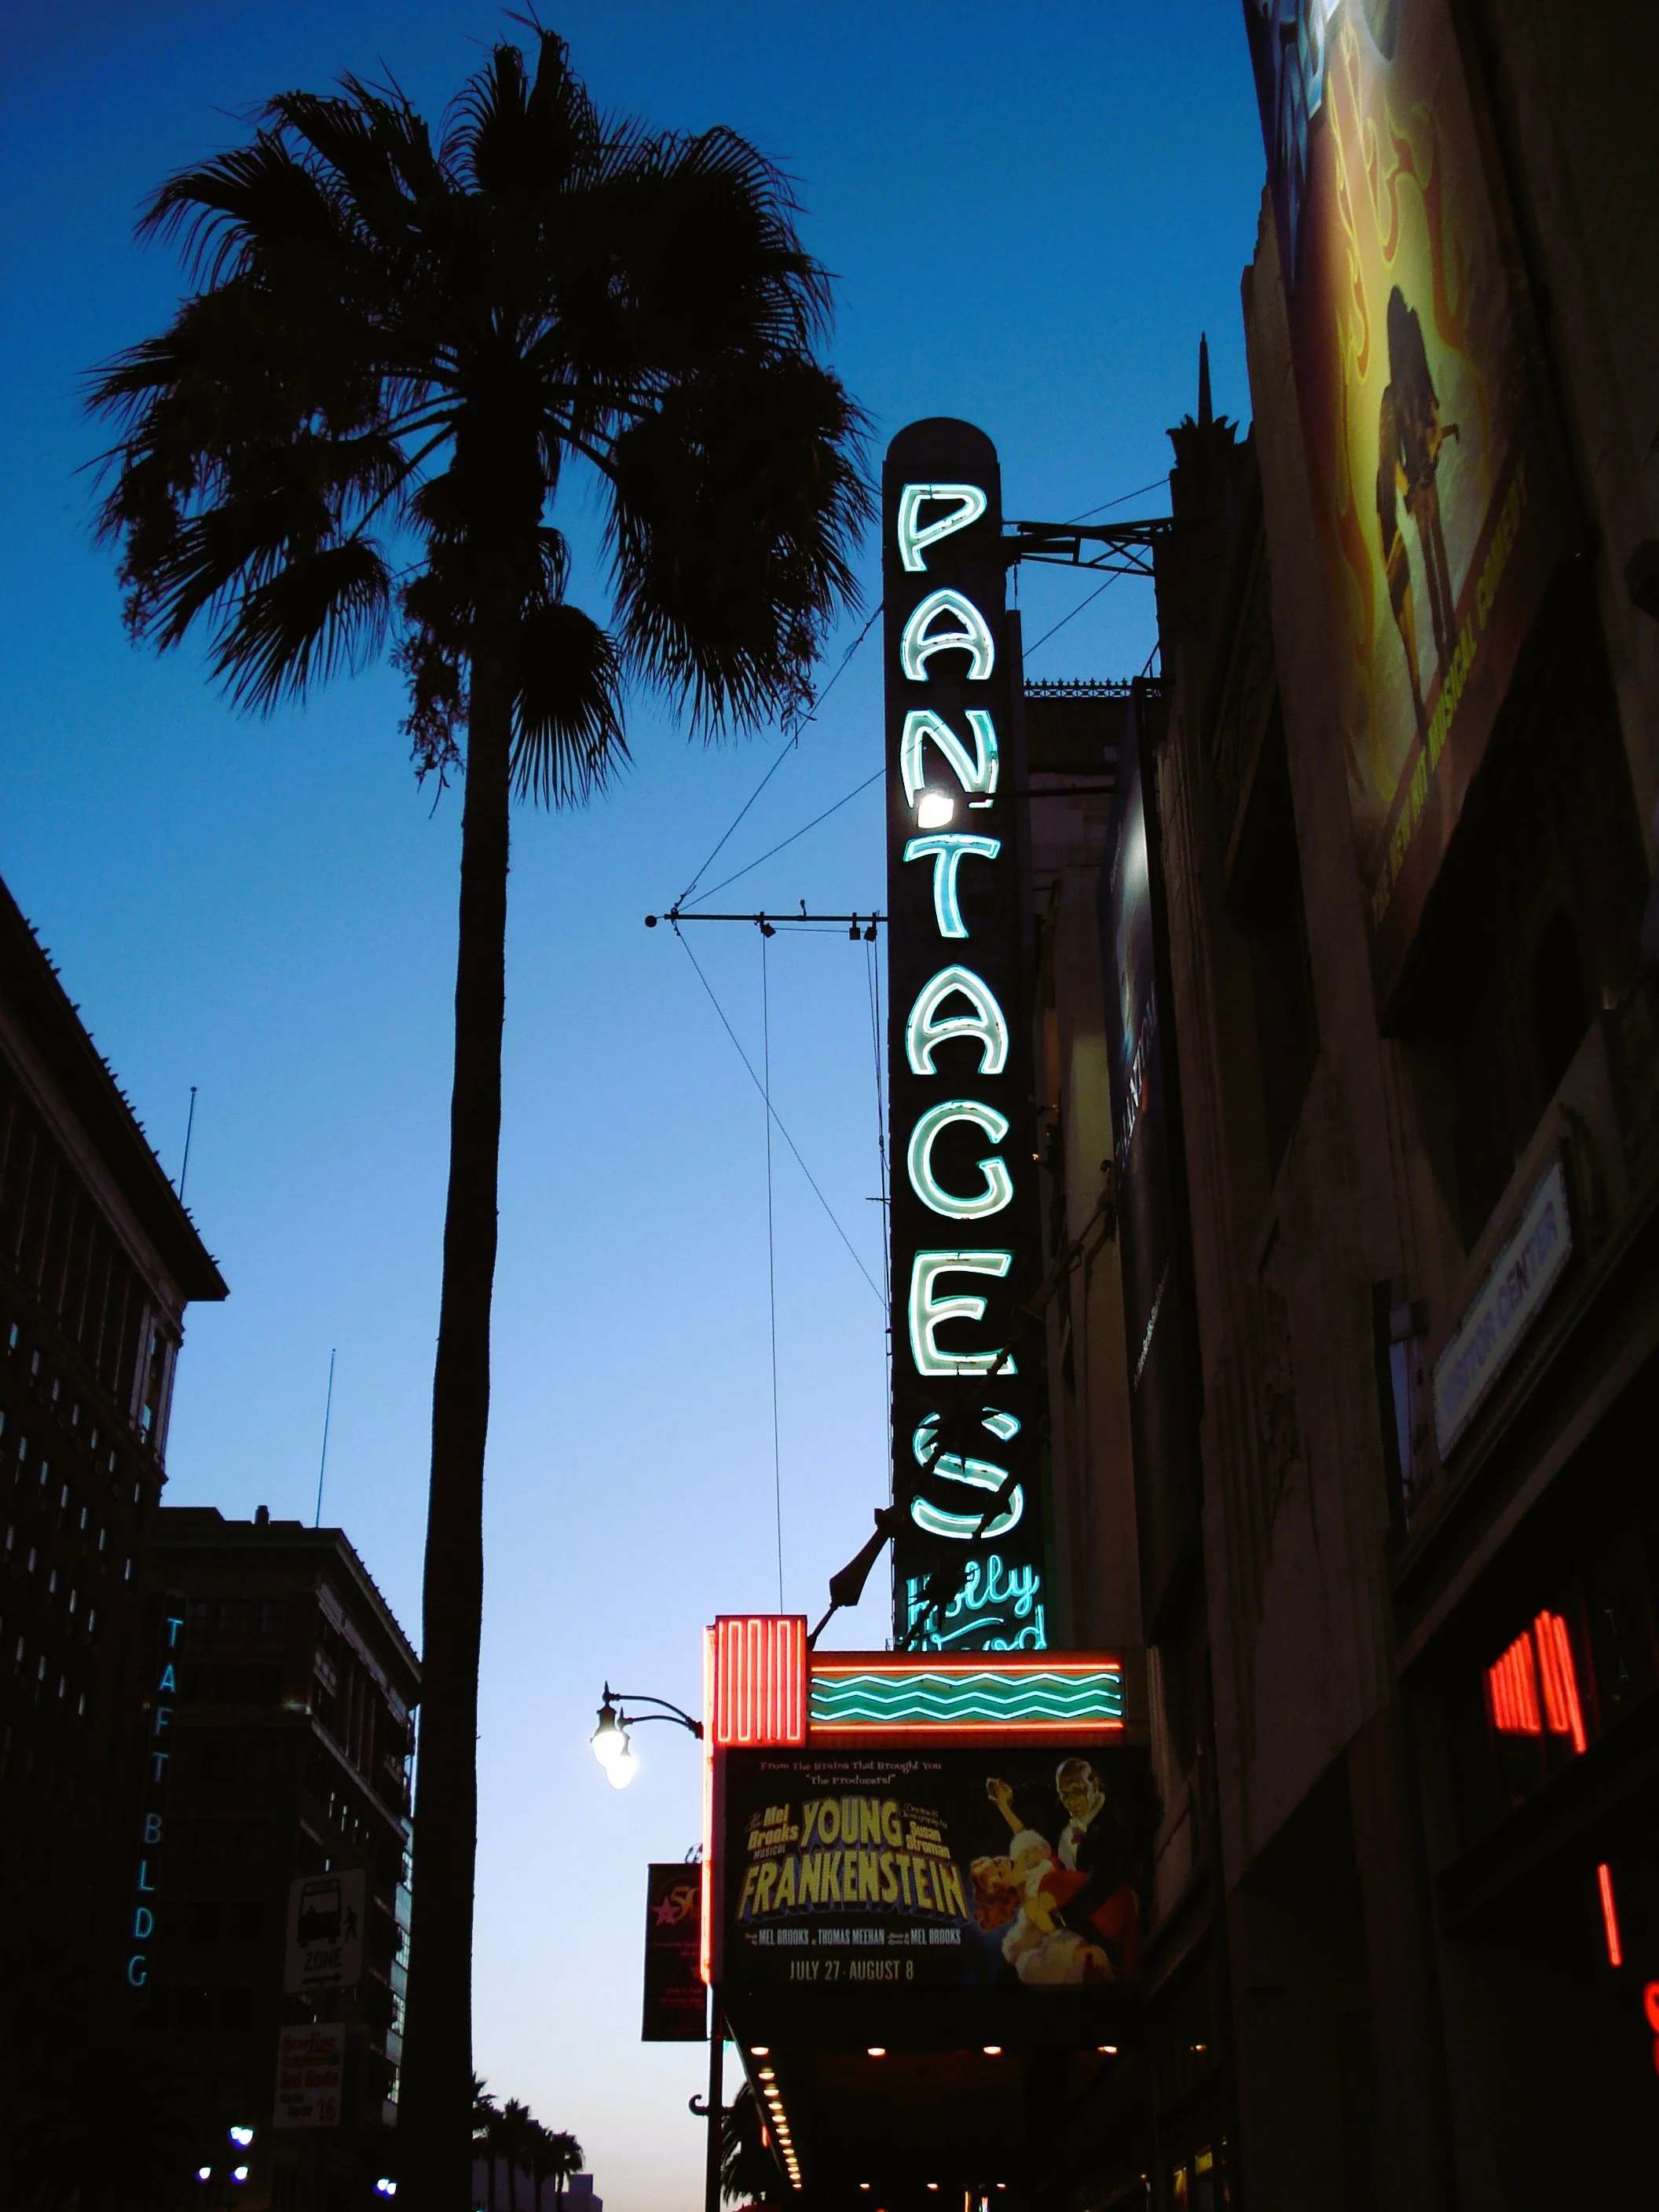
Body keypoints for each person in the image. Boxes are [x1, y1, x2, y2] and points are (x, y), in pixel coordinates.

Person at [1376, 284, 1459, 738]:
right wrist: (1409, 488)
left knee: (1438, 557)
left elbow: (1433, 417)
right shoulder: (1392, 396)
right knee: (1429, 559)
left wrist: (1436, 445)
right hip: (1416, 493)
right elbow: (1390, 463)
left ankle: (1452, 644)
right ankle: (1444, 651)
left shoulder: (1416, 380)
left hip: (1426, 482)